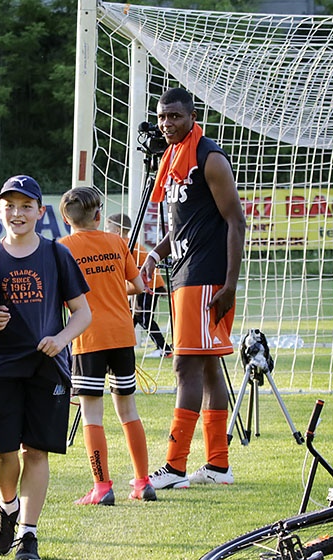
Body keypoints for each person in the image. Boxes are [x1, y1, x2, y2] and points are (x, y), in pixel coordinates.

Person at [0, 175, 91, 560]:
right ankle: (8, 509)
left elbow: (83, 314)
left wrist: (61, 338)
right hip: (4, 368)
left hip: (47, 366)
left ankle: (29, 535)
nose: (17, 213)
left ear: (40, 211)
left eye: (26, 206)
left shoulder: (57, 255)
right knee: (4, 450)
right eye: (10, 205)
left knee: (36, 452)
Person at [140, 87, 247, 490]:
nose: (167, 123)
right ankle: (218, 466)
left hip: (206, 275)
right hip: (184, 270)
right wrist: (155, 253)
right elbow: (182, 226)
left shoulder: (209, 157)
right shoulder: (171, 158)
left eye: (175, 117)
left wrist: (230, 284)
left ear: (192, 116)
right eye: (163, 116)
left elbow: (235, 221)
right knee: (205, 366)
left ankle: (175, 466)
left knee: (185, 365)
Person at [59, 188, 156, 504]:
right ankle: (143, 482)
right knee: (128, 409)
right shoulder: (117, 242)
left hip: (88, 337)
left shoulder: (63, 248)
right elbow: (139, 286)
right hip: (122, 334)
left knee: (92, 413)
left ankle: (102, 487)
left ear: (65, 218)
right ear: (99, 216)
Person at [107, 212, 173, 358]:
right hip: (144, 282)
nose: (106, 231)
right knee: (132, 316)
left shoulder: (123, 244)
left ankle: (165, 349)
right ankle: (121, 347)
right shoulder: (128, 243)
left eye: (108, 228)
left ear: (117, 230)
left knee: (143, 317)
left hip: (148, 284)